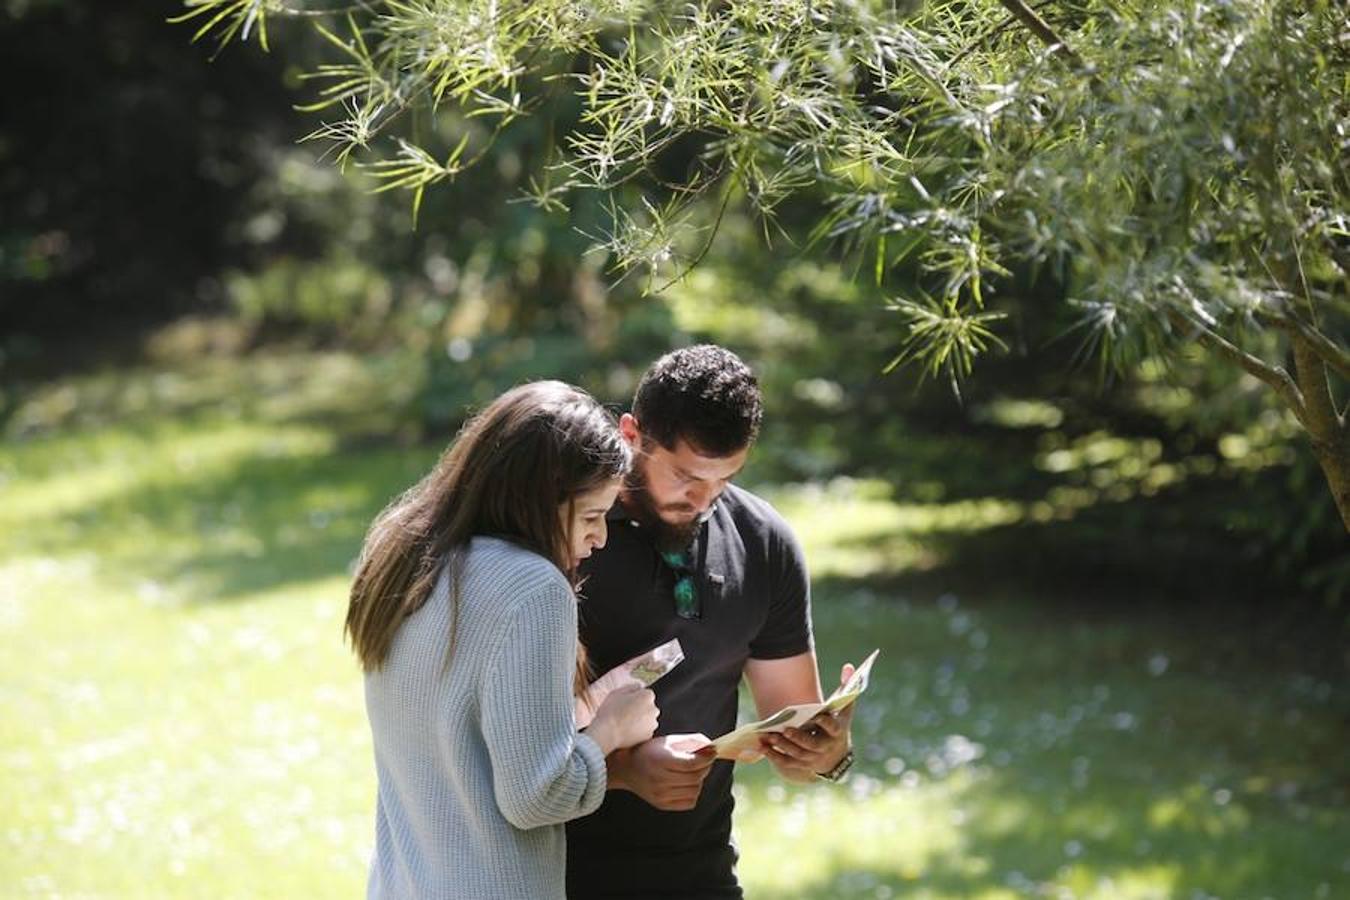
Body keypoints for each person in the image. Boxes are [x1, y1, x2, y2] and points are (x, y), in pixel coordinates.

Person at [346, 381, 661, 900]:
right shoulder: (532, 588)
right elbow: (537, 796)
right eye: (590, 516)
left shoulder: (402, 554)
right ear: (538, 499)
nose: (600, 537)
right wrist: (611, 729)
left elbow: (459, 738)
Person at [567, 345, 857, 899]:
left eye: (723, 481)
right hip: (555, 869)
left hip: (700, 872)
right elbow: (505, 734)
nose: (703, 501)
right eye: (685, 477)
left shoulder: (763, 541)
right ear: (631, 435)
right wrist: (623, 766)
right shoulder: (569, 533)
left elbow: (790, 732)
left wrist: (828, 753)